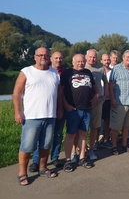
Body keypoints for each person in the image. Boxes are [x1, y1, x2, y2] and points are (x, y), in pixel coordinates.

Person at [13, 47, 60, 185]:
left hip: (50, 115)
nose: (43, 57)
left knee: (45, 145)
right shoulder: (27, 72)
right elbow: (17, 93)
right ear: (35, 57)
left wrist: (60, 109)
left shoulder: (54, 72)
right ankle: (22, 173)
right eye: (40, 55)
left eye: (46, 55)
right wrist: (17, 112)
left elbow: (59, 93)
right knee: (27, 146)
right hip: (32, 116)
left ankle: (43, 168)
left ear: (49, 57)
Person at [61, 54, 99, 172]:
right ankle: (68, 160)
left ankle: (82, 157)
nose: (81, 63)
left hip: (87, 108)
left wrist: (97, 96)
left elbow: (95, 87)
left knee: (83, 134)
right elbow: (60, 91)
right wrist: (65, 105)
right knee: (71, 134)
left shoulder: (88, 72)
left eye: (82, 61)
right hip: (73, 109)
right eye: (78, 61)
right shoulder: (67, 73)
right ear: (73, 62)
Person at [30, 51, 65, 172]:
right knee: (40, 137)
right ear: (51, 59)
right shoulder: (45, 70)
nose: (58, 60)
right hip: (42, 110)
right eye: (56, 58)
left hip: (58, 109)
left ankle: (55, 157)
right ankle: (36, 161)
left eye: (60, 58)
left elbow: (62, 92)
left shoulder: (64, 72)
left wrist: (61, 108)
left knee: (58, 135)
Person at [109, 50, 129, 155]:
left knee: (127, 126)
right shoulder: (116, 69)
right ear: (123, 57)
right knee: (116, 126)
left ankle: (124, 144)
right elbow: (110, 84)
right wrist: (113, 99)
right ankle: (114, 146)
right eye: (127, 57)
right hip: (120, 102)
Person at [85, 49, 109, 160]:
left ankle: (91, 149)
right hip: (84, 103)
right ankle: (82, 148)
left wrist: (105, 95)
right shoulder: (82, 67)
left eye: (94, 57)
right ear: (86, 57)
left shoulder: (100, 68)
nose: (92, 59)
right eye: (90, 57)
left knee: (95, 127)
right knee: (83, 128)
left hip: (98, 101)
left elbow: (106, 82)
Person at [100, 53, 113, 149]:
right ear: (101, 61)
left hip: (109, 100)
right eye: (105, 60)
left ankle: (106, 139)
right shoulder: (98, 71)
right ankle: (96, 141)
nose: (107, 61)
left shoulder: (113, 72)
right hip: (99, 100)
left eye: (108, 60)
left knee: (108, 121)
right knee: (97, 123)